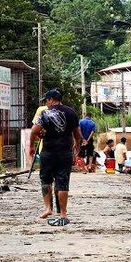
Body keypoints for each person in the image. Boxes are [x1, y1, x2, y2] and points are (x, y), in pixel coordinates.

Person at [28, 89, 82, 226]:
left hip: (48, 152)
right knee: (63, 181)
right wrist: (77, 145)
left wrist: (31, 147)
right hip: (64, 153)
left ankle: (48, 209)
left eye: (46, 100)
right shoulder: (71, 112)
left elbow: (34, 131)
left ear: (51, 99)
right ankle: (63, 212)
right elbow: (77, 133)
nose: (46, 103)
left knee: (46, 180)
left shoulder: (45, 113)